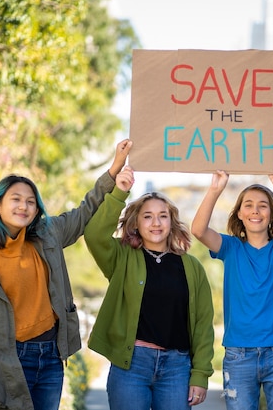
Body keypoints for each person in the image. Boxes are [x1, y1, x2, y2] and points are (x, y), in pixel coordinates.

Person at [0, 139, 133, 410]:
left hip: (51, 357)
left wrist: (115, 168)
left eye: (31, 202)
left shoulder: (48, 235)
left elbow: (84, 213)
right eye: (16, 200)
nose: (24, 206)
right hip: (9, 361)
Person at [83, 164, 214, 410]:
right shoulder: (122, 258)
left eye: (162, 216)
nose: (156, 223)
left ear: (171, 221)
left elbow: (203, 325)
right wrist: (119, 192)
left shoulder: (192, 267)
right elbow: (94, 235)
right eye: (147, 216)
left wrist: (200, 374)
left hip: (177, 368)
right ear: (137, 223)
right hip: (131, 365)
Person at [191, 169, 273, 410]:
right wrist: (215, 190)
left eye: (263, 206)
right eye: (248, 205)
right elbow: (198, 230)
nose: (255, 211)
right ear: (239, 213)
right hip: (239, 355)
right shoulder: (230, 248)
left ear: (272, 214)